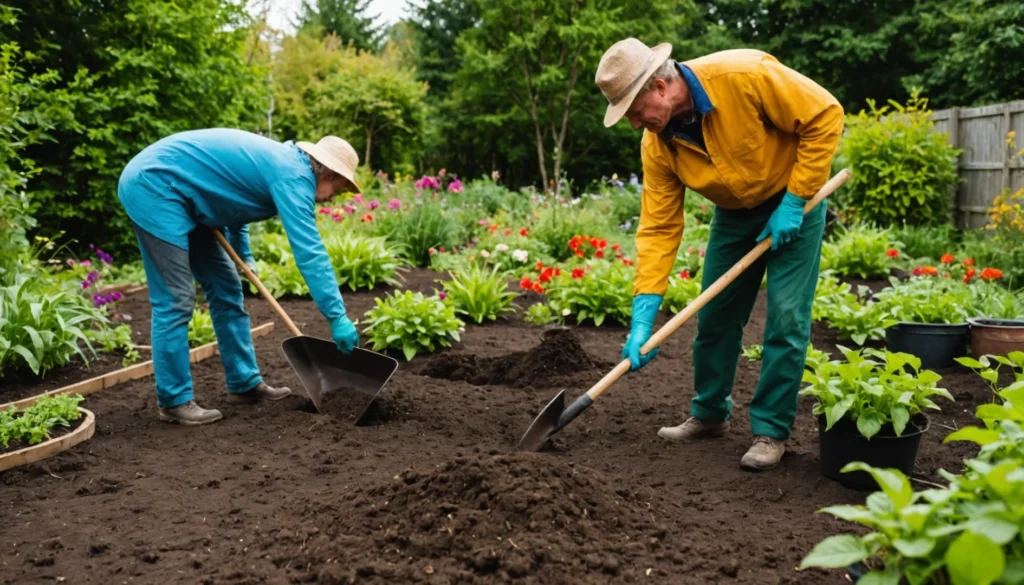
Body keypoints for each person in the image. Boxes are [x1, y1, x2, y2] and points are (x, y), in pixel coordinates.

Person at [595, 40, 843, 471]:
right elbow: (658, 227)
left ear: (658, 86)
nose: (635, 124)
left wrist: (794, 200)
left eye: (634, 112)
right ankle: (709, 414)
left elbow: (825, 115)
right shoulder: (658, 145)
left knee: (786, 318)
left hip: (795, 204)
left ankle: (771, 430)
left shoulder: (742, 76)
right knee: (714, 318)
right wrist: (642, 316)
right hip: (734, 216)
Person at [118, 129, 363, 425]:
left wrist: (243, 254)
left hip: (187, 197)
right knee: (176, 298)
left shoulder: (285, 166)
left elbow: (237, 203)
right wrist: (336, 316)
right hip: (155, 187)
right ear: (328, 173)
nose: (336, 196)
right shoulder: (293, 175)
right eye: (339, 187)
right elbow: (309, 251)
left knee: (227, 288)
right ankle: (173, 400)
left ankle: (244, 383)